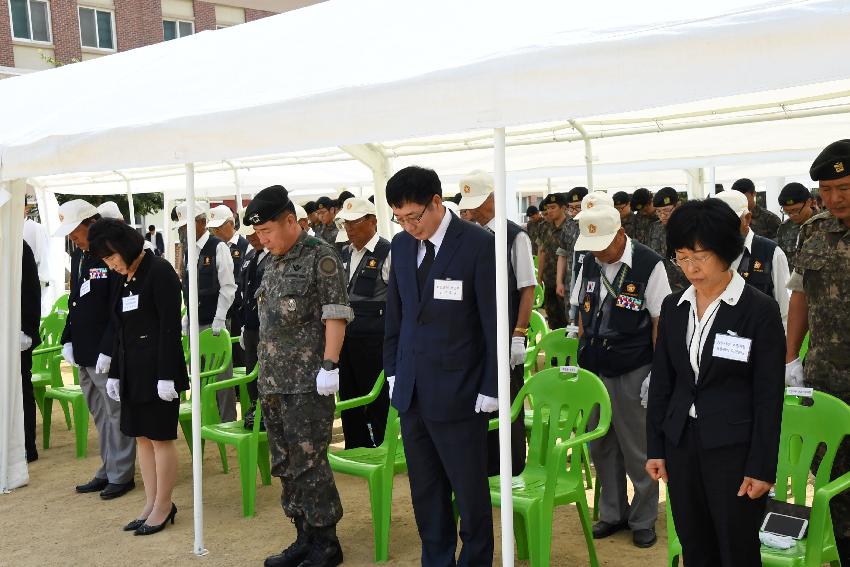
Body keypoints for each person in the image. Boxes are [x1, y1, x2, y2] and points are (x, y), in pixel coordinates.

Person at [646, 198, 785, 567]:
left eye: (700, 256)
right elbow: (663, 383)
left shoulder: (758, 310)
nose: (691, 268)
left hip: (733, 450)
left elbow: (768, 396)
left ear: (726, 252)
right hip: (682, 444)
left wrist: (762, 466)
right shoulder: (675, 308)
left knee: (736, 545)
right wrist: (656, 447)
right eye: (682, 257)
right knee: (694, 544)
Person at [384, 166, 497, 566]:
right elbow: (396, 316)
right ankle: (436, 559)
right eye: (399, 218)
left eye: (415, 216)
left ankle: (476, 560)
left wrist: (492, 385)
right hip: (412, 391)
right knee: (426, 491)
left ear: (437, 202)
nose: (409, 225)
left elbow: (492, 322)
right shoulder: (399, 246)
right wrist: (394, 369)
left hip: (462, 391)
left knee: (469, 492)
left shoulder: (479, 245)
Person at [243, 185, 352, 567]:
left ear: (291, 220)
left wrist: (329, 365)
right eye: (258, 234)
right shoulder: (271, 261)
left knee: (310, 462)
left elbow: (335, 313)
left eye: (268, 231)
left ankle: (326, 542)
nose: (263, 239)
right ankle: (303, 534)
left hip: (307, 382)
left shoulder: (321, 257)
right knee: (285, 462)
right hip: (274, 381)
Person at [570, 202, 670, 549]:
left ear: (621, 235)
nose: (597, 253)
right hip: (595, 368)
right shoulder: (588, 262)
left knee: (637, 448)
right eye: (592, 247)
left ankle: (643, 519)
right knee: (601, 445)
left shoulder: (648, 263)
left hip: (633, 367)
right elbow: (582, 313)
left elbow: (661, 320)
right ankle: (612, 513)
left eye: (603, 246)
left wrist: (657, 371)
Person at [89, 218, 188, 536]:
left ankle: (164, 505)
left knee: (160, 439)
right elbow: (119, 328)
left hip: (159, 372)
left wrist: (167, 375)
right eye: (105, 259)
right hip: (132, 370)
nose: (110, 264)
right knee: (142, 438)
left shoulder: (158, 271)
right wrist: (116, 373)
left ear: (124, 246)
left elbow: (169, 327)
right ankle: (151, 503)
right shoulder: (123, 276)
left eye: (110, 256)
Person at [785, 139, 850, 560]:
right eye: (825, 190)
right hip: (826, 379)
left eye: (843, 187)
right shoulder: (813, 231)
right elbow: (799, 298)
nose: (833, 198)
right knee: (832, 479)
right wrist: (791, 359)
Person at [56, 199, 136, 499]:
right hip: (83, 350)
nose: (72, 238)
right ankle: (107, 468)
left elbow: (116, 307)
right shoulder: (81, 256)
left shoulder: (110, 254)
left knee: (115, 413)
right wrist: (67, 338)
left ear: (89, 223)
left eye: (75, 231)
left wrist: (107, 349)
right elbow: (75, 302)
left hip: (105, 352)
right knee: (99, 414)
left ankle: (121, 474)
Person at [460, 170, 534, 476]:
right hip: (475, 335)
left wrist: (519, 332)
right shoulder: (465, 236)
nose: (472, 210)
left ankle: (512, 469)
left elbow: (527, 288)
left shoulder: (514, 236)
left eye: (477, 203)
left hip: (505, 334)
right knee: (481, 401)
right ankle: (488, 468)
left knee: (508, 404)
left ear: (493, 198)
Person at [336, 197, 391, 449]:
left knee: (377, 397)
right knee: (348, 393)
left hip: (373, 341)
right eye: (345, 223)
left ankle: (382, 444)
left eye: (354, 222)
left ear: (372, 221)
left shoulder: (387, 252)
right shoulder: (344, 253)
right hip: (345, 338)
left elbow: (397, 298)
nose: (349, 229)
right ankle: (356, 445)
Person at [175, 202, 237, 422]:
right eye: (181, 227)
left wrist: (220, 317)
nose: (183, 231)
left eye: (186, 225)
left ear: (201, 222)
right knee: (199, 375)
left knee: (220, 376)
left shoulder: (218, 247)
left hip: (214, 321)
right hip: (195, 321)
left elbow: (228, 286)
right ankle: (206, 418)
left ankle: (227, 420)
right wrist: (187, 315)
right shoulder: (188, 250)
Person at [714, 190, 790, 327]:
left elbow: (785, 312)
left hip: (761, 341)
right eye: (717, 224)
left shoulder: (771, 253)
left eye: (730, 223)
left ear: (747, 218)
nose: (722, 230)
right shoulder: (710, 253)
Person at [207, 204, 249, 369]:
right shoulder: (214, 248)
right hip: (221, 309)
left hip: (239, 310)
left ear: (231, 224)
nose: (215, 232)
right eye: (212, 229)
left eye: (218, 227)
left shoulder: (246, 246)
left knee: (239, 357)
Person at [238, 226, 269, 428]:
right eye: (248, 236)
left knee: (266, 373)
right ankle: (255, 407)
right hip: (250, 324)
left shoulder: (274, 256)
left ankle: (267, 413)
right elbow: (245, 291)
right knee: (252, 374)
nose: (252, 239)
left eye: (254, 234)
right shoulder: (250, 256)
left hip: (266, 326)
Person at [20, 240, 41, 462]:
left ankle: (27, 446)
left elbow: (30, 288)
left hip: (17, 331)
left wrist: (26, 329)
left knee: (22, 388)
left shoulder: (19, 244)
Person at [647, 187, 690, 293]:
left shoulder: (689, 227)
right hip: (661, 285)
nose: (662, 215)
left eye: (666, 211)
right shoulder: (654, 227)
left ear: (678, 205)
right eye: (658, 211)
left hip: (686, 286)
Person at [537, 192, 570, 329]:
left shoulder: (571, 226)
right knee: (553, 318)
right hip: (549, 279)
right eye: (548, 208)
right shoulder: (544, 227)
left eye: (553, 207)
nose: (549, 211)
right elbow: (541, 252)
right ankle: (556, 349)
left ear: (563, 208)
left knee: (568, 318)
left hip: (566, 280)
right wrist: (539, 277)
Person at [555, 187, 587, 323]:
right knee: (572, 319)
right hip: (570, 282)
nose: (573, 212)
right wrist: (559, 282)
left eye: (578, 208)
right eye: (571, 208)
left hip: (589, 280)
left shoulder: (594, 224)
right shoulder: (568, 225)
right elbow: (562, 254)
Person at [775, 182, 815, 268]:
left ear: (809, 202)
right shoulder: (784, 227)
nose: (792, 215)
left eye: (796, 210)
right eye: (787, 212)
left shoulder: (826, 224)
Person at [24, 203, 53, 314]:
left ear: (25, 208)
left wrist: (40, 281)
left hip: (32, 282)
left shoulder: (36, 228)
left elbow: (43, 256)